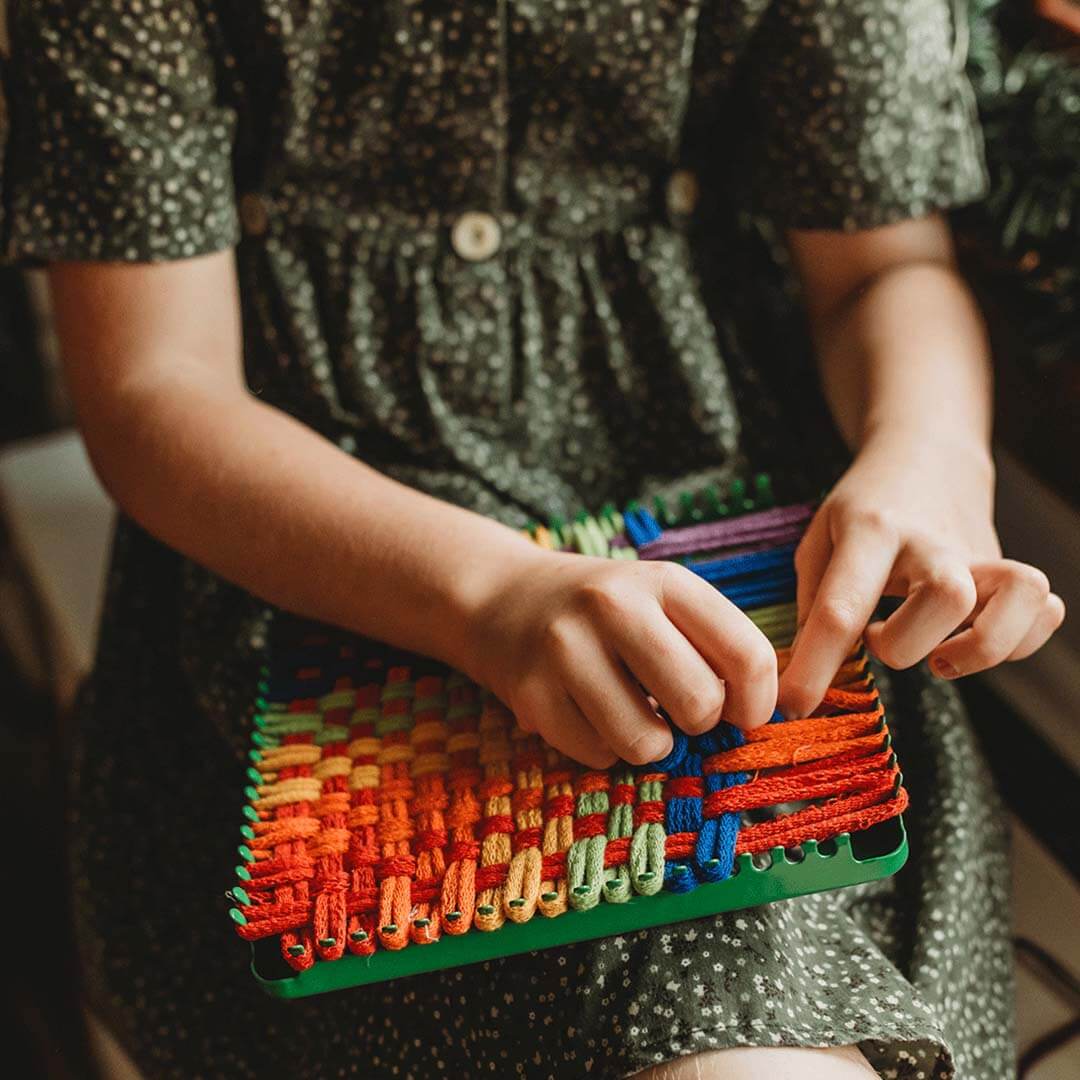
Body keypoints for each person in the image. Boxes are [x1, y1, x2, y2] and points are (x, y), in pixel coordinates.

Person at [2, 1, 1064, 1077]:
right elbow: (153, 389)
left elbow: (882, 268)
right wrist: (491, 596)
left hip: (749, 529)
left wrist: (929, 454)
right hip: (322, 553)